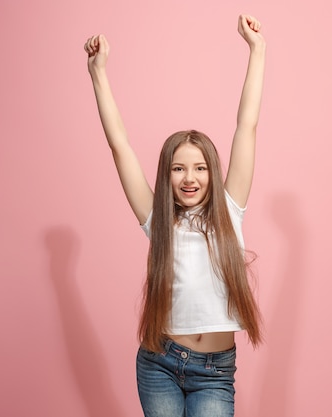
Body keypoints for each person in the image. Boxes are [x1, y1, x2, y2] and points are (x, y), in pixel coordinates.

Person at [84, 13, 266, 417]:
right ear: (166, 174)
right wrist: (98, 73)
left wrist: (257, 51)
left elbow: (246, 126)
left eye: (200, 168)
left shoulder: (230, 209)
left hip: (214, 372)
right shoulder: (158, 220)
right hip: (159, 363)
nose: (190, 178)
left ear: (213, 173)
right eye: (178, 168)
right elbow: (120, 147)